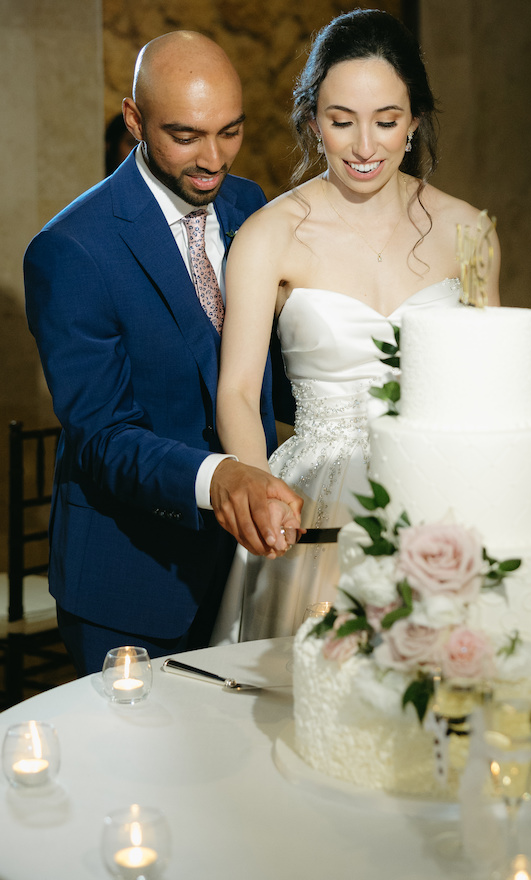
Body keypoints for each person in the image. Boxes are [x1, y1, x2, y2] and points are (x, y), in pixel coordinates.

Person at [212, 9, 500, 642]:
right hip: (318, 497)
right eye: (342, 122)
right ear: (314, 120)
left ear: (416, 120)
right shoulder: (268, 236)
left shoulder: (470, 233)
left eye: (387, 121)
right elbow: (236, 389)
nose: (365, 146)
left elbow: (491, 382)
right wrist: (259, 495)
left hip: (442, 483)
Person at [23, 31, 302, 676]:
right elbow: (102, 437)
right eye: (186, 136)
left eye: (230, 132)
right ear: (134, 120)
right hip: (130, 586)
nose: (213, 159)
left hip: (250, 576)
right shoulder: (71, 250)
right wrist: (220, 477)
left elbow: (270, 374)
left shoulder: (249, 205)